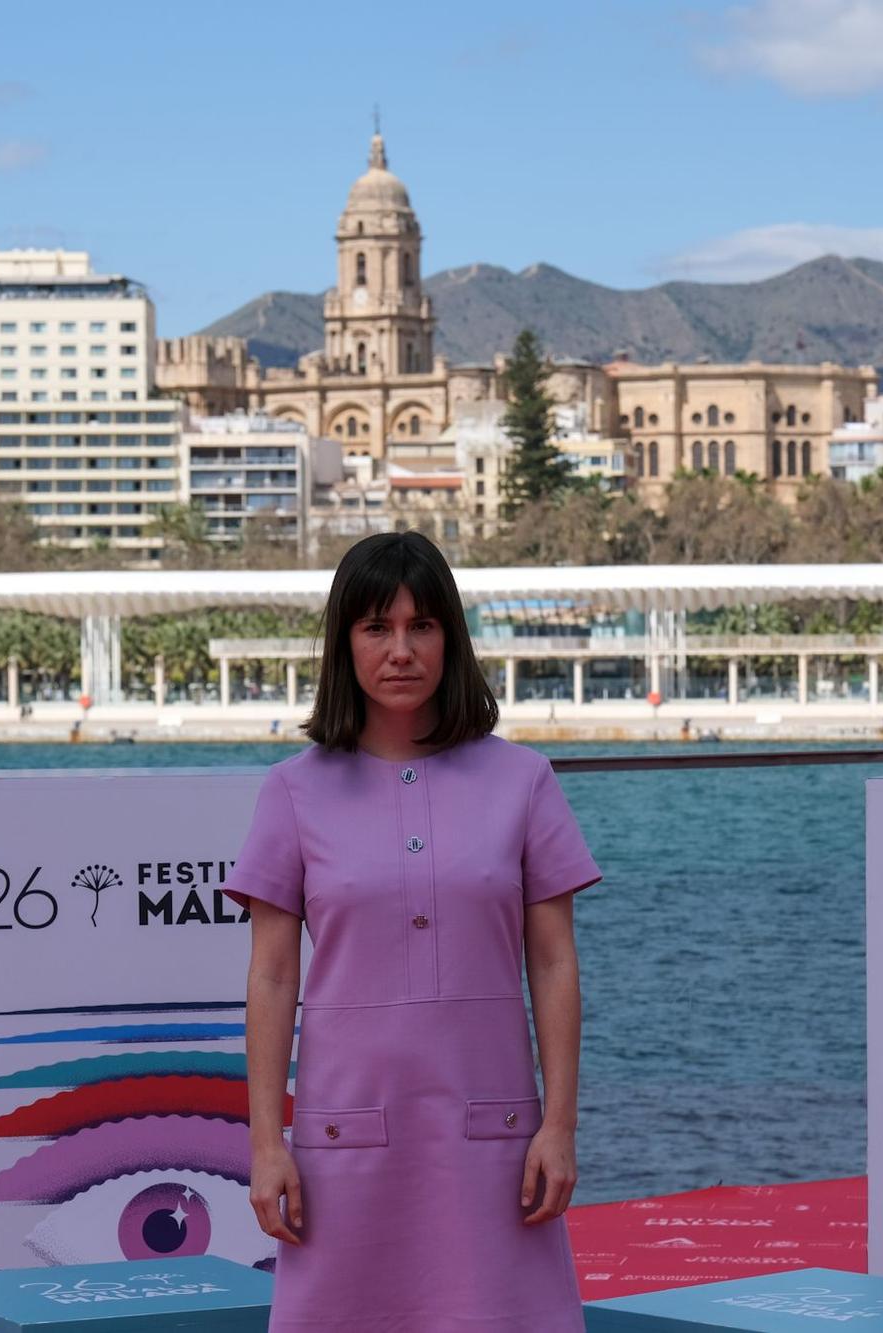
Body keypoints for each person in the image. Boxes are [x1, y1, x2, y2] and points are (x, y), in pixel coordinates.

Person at [222, 530, 602, 1330]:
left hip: (495, 1136)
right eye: (376, 628)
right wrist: (266, 1143)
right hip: (341, 1135)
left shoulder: (524, 780)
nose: (401, 649)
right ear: (343, 644)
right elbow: (270, 978)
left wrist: (559, 1126)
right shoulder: (291, 792)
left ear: (451, 639)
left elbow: (556, 963)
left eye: (422, 625)